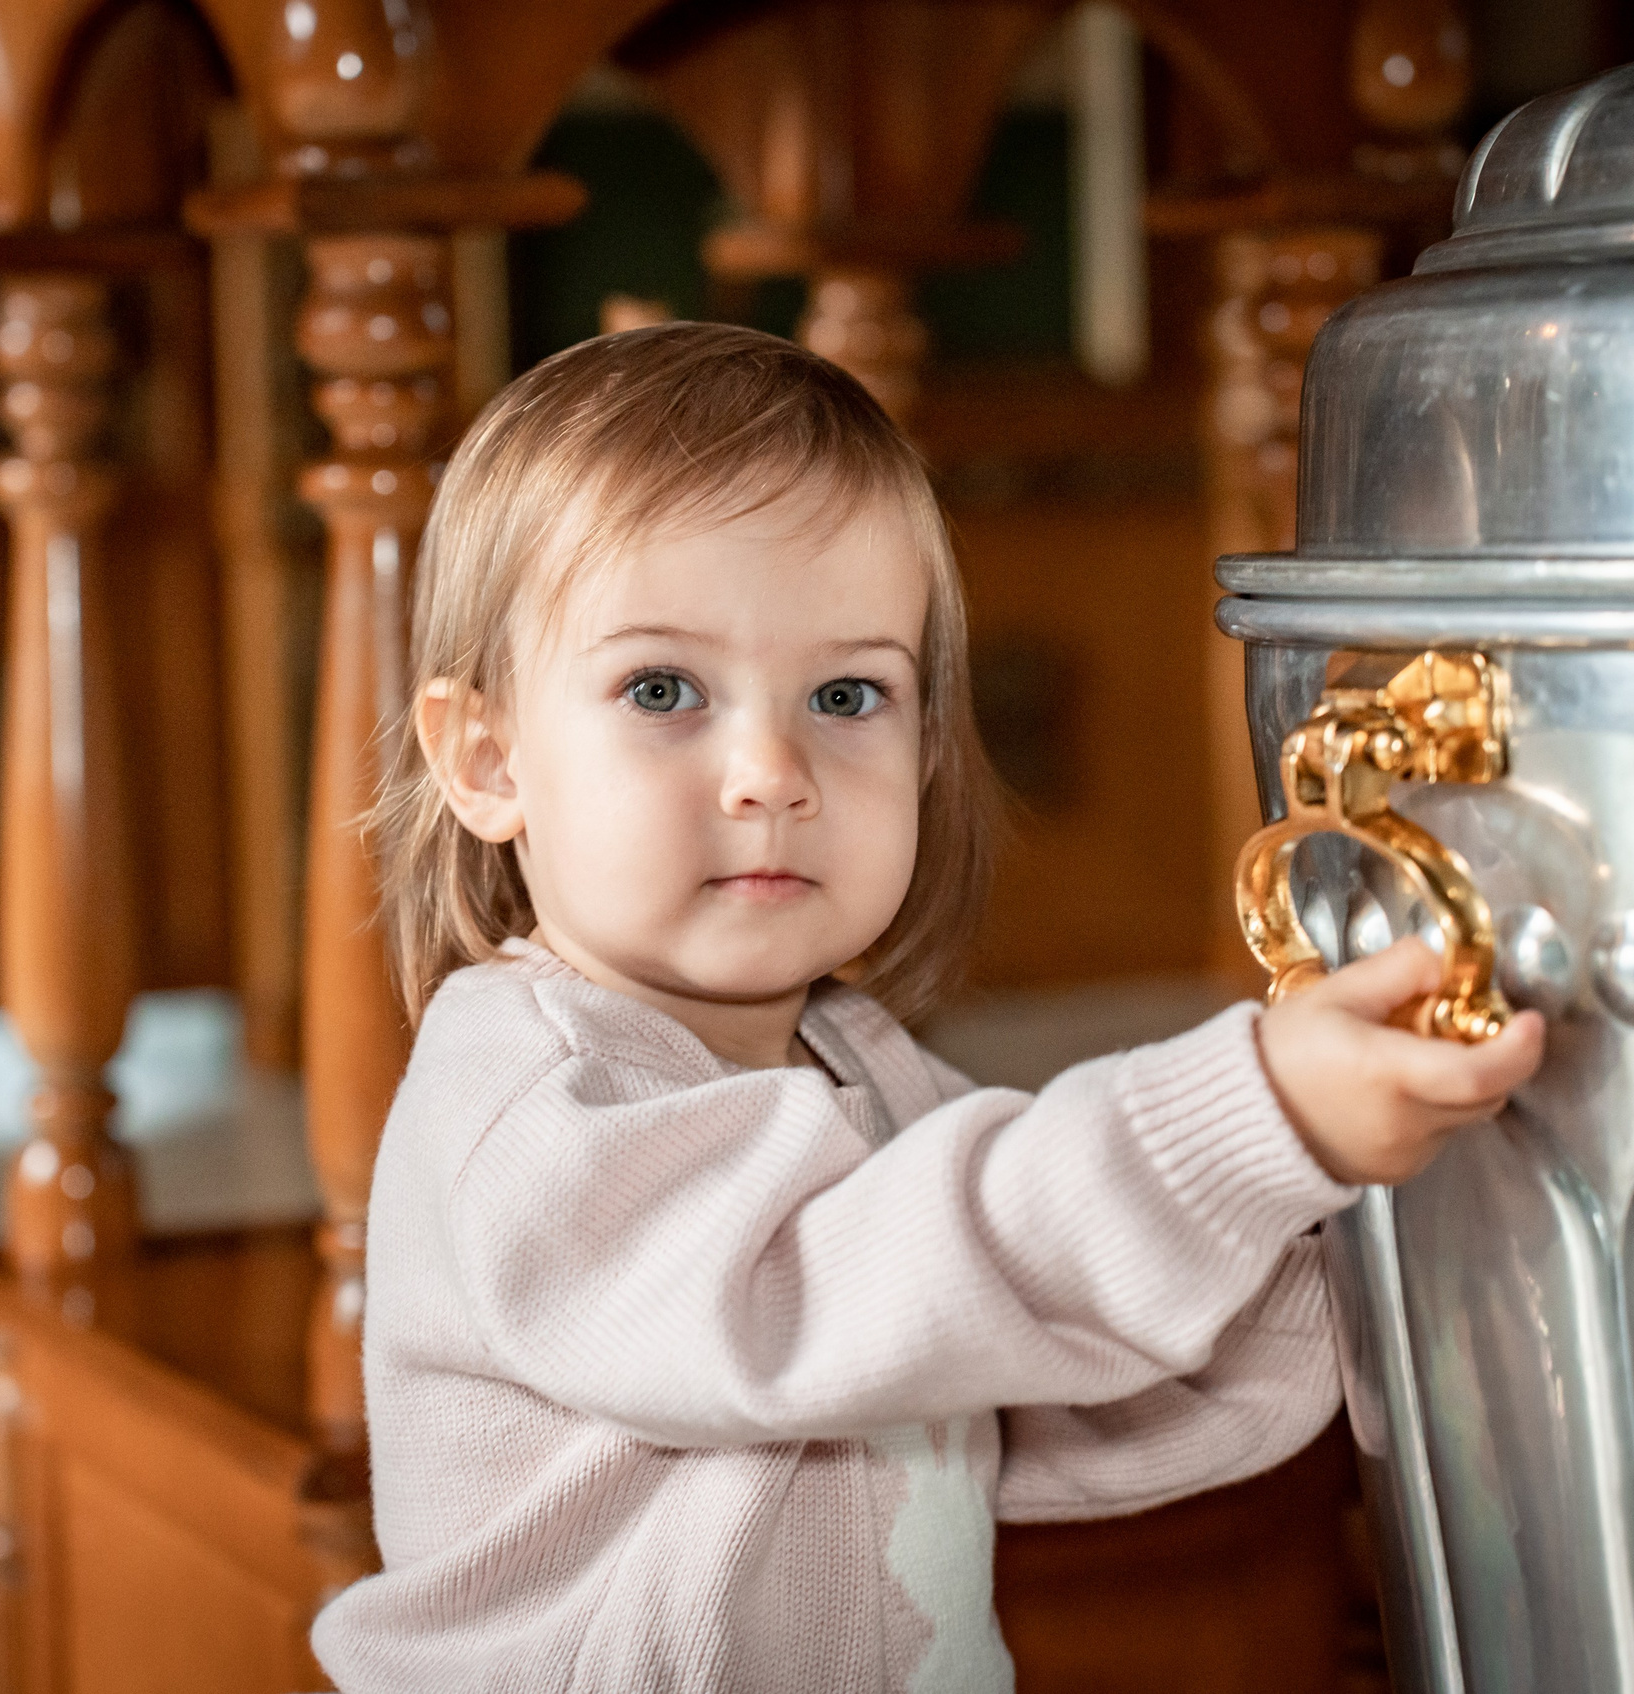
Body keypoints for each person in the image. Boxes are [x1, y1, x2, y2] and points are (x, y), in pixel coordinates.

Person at [312, 322, 1543, 1693]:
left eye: (848, 694)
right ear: (487, 759)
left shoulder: (866, 1075)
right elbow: (820, 1300)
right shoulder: (524, 1092)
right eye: (662, 689)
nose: (771, 770)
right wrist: (1244, 1116)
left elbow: (1059, 1376)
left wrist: (1332, 1225)